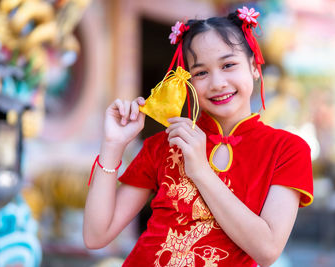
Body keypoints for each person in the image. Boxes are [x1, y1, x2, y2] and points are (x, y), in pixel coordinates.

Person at [83, 6, 313, 267]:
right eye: (201, 72)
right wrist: (113, 145)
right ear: (188, 81)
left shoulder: (287, 150)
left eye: (228, 65)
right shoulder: (164, 145)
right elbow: (96, 236)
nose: (217, 83)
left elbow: (267, 249)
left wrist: (201, 170)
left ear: (254, 67)